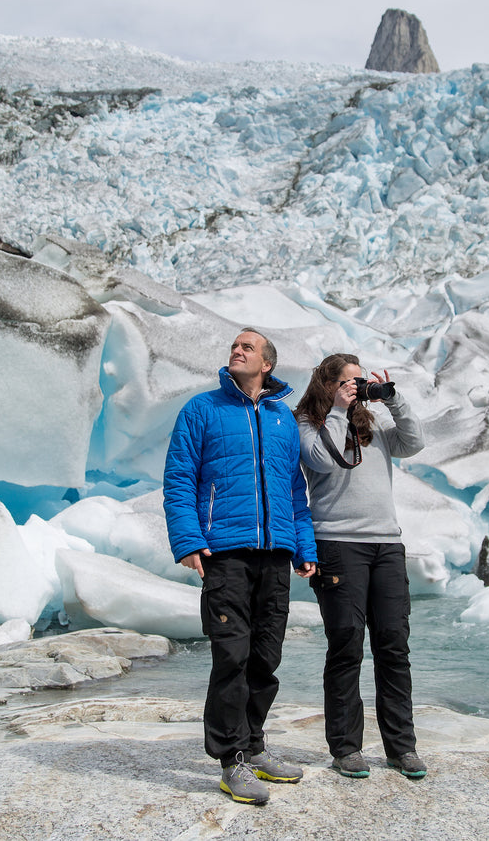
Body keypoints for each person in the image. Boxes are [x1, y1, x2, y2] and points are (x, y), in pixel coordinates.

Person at [163, 327, 318, 805]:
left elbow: (294, 490)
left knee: (266, 658)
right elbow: (179, 477)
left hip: (275, 554)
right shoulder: (202, 409)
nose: (237, 350)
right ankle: (230, 760)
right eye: (235, 345)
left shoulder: (281, 419)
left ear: (266, 363)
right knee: (232, 656)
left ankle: (254, 745)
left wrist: (304, 546)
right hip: (225, 553)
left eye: (247, 347)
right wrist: (188, 540)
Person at [294, 353, 427, 780]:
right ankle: (346, 748)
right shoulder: (308, 424)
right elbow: (322, 461)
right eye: (349, 382)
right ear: (328, 384)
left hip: (386, 543)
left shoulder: (374, 424)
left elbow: (414, 443)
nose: (357, 389)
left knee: (393, 644)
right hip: (336, 544)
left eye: (361, 382)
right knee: (347, 644)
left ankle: (401, 748)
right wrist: (336, 410)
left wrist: (393, 400)